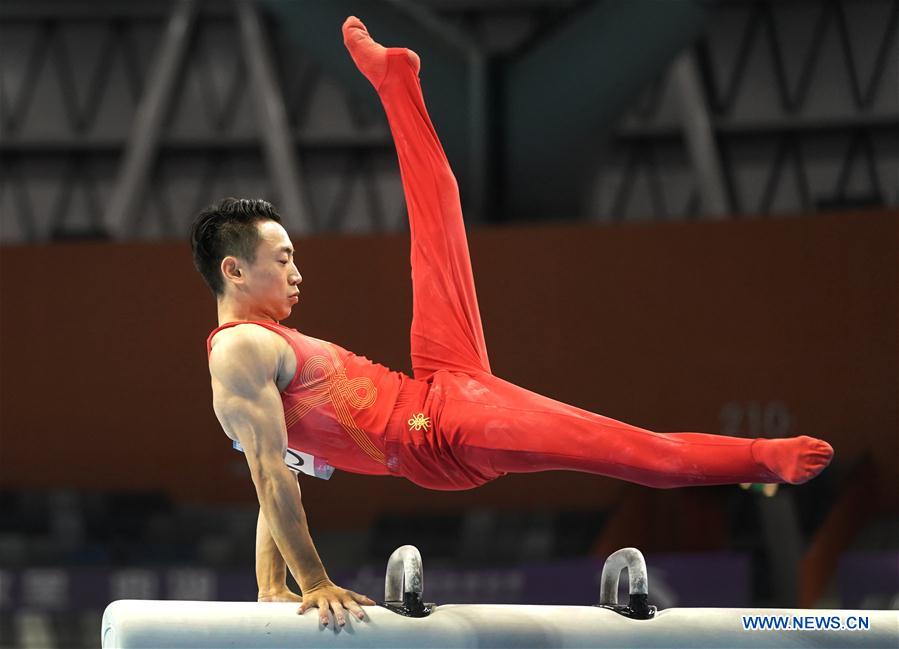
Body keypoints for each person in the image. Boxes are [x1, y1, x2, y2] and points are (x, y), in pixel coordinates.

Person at [189, 17, 833, 628]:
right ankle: (760, 456)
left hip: (438, 383)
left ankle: (396, 81)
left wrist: (273, 585)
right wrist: (313, 583)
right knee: (626, 449)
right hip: (439, 435)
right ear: (235, 271)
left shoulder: (262, 348)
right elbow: (272, 474)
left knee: (437, 219)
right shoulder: (240, 350)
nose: (299, 272)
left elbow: (284, 467)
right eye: (283, 259)